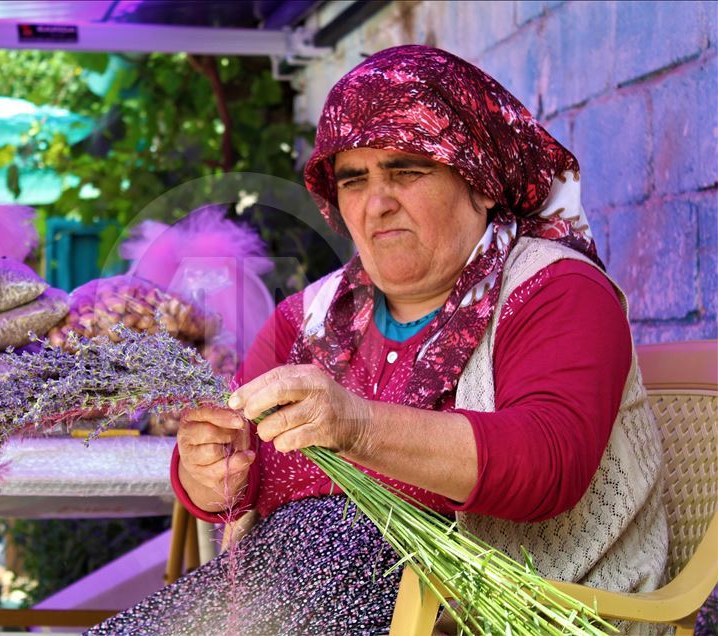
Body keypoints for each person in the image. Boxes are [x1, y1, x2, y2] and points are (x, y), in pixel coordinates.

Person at [88, 45, 666, 636]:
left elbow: (549, 463)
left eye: (407, 170)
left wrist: (360, 426)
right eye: (354, 180)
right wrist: (208, 473)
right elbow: (231, 473)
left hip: (508, 614)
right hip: (299, 604)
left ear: (481, 179)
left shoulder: (556, 289)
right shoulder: (308, 319)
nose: (378, 203)